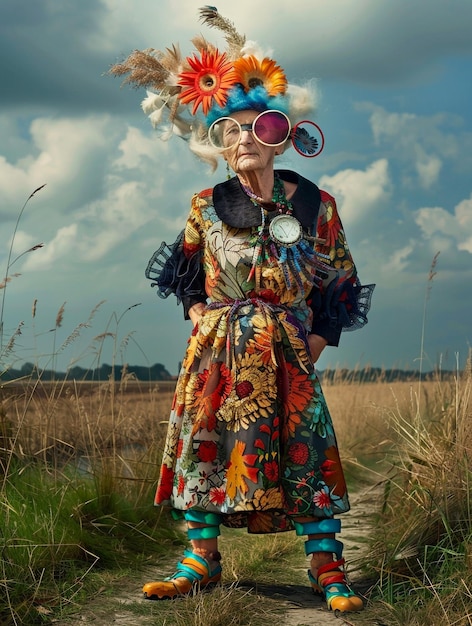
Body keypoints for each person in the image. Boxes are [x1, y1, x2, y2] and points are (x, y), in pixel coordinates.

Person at [111, 6, 374, 613]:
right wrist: (200, 312)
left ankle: (327, 568)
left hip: (286, 350)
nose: (242, 141)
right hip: (216, 351)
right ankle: (199, 561)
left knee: (301, 447)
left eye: (256, 129)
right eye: (229, 131)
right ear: (219, 143)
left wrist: (314, 341)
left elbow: (340, 280)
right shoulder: (205, 204)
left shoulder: (315, 204)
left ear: (280, 135)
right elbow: (182, 268)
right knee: (205, 447)